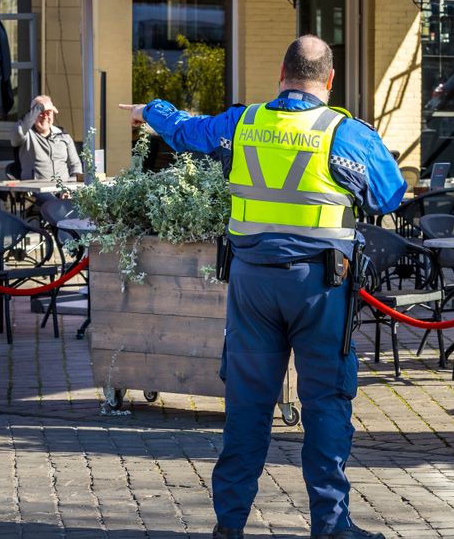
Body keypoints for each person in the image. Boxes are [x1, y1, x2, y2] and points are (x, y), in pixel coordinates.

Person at [121, 35, 406, 539]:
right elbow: (389, 194)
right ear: (330, 79)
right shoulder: (343, 131)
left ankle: (229, 525)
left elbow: (187, 132)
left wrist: (151, 108)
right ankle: (332, 527)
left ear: (281, 72)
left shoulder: (245, 122)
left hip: (251, 284)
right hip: (320, 287)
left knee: (248, 405)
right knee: (326, 403)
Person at [10, 94, 83, 182]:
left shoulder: (63, 136)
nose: (45, 117)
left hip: (64, 190)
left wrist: (71, 187)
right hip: (35, 191)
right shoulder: (25, 135)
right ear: (33, 114)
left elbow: (75, 165)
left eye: (48, 112)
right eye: (41, 113)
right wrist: (40, 107)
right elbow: (19, 131)